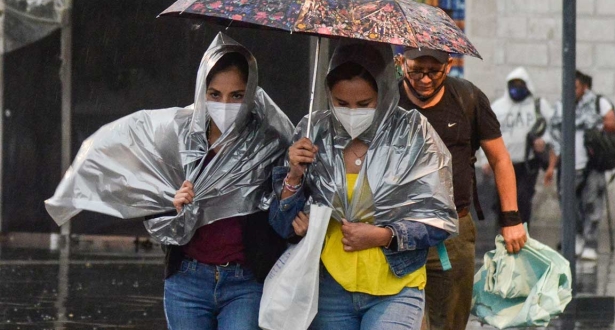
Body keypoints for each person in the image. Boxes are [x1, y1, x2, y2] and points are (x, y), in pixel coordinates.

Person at [269, 41, 459, 330]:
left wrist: (383, 236)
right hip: (331, 286)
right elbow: (281, 224)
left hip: (396, 286)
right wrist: (294, 177)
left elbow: (438, 219)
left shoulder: (413, 134)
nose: (352, 112)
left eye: (364, 104)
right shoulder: (313, 133)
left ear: (382, 96)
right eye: (341, 103)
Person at [163, 34, 293, 330]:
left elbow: (281, 218)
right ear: (201, 93)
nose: (225, 103)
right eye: (214, 94)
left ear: (250, 94)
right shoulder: (182, 139)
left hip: (244, 283)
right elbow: (153, 207)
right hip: (187, 280)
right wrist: (172, 204)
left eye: (236, 95)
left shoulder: (270, 143)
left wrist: (294, 179)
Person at [397, 48, 527, 330]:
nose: (425, 79)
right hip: (397, 228)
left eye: (434, 71)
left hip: (452, 227)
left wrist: (511, 219)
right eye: (417, 70)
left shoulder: (468, 98)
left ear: (450, 65)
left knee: (450, 319)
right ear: (401, 63)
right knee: (403, 319)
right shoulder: (387, 99)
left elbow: (500, 158)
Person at [550, 70, 615, 261]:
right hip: (569, 165)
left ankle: (590, 243)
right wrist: (551, 167)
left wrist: (596, 128)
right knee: (569, 205)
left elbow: (613, 126)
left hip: (592, 165)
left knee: (591, 205)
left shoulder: (598, 104)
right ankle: (577, 238)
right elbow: (554, 137)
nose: (571, 91)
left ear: (584, 87)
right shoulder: (561, 106)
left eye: (575, 87)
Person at [480, 67, 558, 226]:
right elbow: (485, 133)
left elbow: (554, 128)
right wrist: (484, 159)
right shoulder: (498, 107)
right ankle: (503, 236)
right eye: (513, 84)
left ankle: (523, 235)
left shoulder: (538, 106)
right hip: (502, 163)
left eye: (520, 84)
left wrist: (543, 141)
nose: (516, 88)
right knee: (502, 201)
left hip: (527, 164)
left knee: (523, 199)